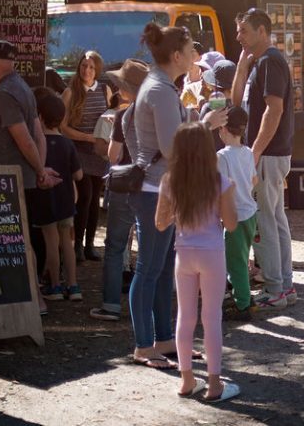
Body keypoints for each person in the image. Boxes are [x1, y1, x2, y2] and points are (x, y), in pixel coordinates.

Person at [125, 23, 196, 368]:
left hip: (159, 188)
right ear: (177, 55)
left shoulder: (160, 85)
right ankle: (143, 345)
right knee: (150, 268)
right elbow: (171, 147)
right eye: (191, 47)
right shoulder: (161, 89)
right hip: (156, 190)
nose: (195, 52)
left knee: (163, 267)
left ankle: (164, 339)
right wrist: (203, 127)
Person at [154, 122, 240, 402]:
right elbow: (231, 224)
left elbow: (159, 223)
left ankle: (187, 379)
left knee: (185, 317)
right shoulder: (220, 182)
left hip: (184, 254)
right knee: (211, 317)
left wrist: (178, 213)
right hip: (212, 254)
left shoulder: (169, 181)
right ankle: (215, 384)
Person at [0, 39, 61, 316]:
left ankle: (35, 300)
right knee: (21, 238)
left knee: (18, 240)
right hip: (20, 177)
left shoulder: (5, 92)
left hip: (10, 179)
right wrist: (40, 170)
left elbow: (24, 137)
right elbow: (37, 133)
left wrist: (40, 170)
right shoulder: (23, 87)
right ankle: (30, 298)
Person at [232, 9, 296, 311]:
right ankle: (284, 285)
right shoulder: (260, 61)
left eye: (243, 30)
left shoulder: (271, 60)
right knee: (275, 218)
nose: (238, 37)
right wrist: (242, 67)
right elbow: (236, 106)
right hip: (270, 154)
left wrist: (254, 152)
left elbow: (274, 110)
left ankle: (275, 288)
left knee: (264, 221)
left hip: (268, 154)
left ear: (261, 31)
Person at [90, 58, 149, 322]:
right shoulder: (158, 114)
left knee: (115, 246)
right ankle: (146, 306)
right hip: (151, 188)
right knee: (149, 249)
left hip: (124, 186)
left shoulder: (123, 116)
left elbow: (113, 156)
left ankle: (111, 305)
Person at [60, 51, 113, 262]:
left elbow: (111, 113)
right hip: (79, 152)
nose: (87, 71)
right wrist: (87, 137)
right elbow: (63, 127)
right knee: (85, 197)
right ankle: (78, 246)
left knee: (94, 202)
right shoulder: (70, 92)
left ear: (97, 69)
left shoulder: (104, 89)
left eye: (91, 67)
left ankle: (90, 244)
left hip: (98, 154)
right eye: (83, 66)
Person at [36, 90, 84, 301]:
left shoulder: (37, 144)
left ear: (39, 117)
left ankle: (54, 286)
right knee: (67, 242)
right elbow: (79, 175)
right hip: (66, 200)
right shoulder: (67, 144)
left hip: (45, 200)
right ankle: (73, 285)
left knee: (51, 242)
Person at [216, 106, 258, 322]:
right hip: (250, 212)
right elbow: (254, 180)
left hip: (236, 215)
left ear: (223, 128)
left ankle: (242, 304)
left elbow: (221, 188)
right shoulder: (249, 152)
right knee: (242, 256)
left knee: (236, 263)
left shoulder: (222, 157)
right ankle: (244, 295)